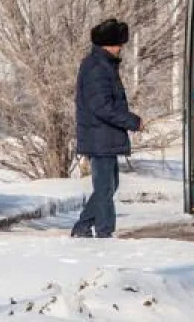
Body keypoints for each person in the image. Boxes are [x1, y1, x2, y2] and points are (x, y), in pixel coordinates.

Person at [70, 18, 142, 239]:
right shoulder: (96, 68)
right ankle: (103, 232)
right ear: (108, 44)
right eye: (119, 44)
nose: (121, 48)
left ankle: (84, 226)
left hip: (103, 136)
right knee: (104, 188)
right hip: (99, 136)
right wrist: (132, 121)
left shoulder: (103, 65)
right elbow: (103, 106)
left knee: (109, 186)